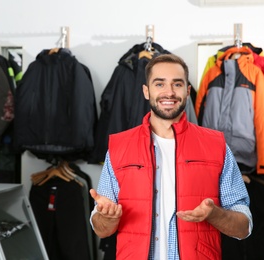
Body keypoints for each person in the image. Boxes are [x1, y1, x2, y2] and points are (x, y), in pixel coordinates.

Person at [89, 53, 252, 260]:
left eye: (177, 84)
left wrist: (215, 214)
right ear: (146, 91)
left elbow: (243, 228)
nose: (169, 92)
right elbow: (101, 229)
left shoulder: (216, 146)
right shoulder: (119, 147)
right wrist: (107, 219)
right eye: (159, 84)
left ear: (187, 91)